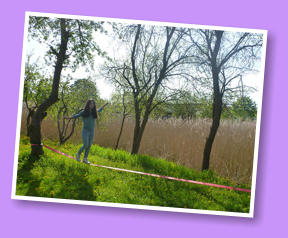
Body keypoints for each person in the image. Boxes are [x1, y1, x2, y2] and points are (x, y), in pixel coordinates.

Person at [64, 99, 108, 164]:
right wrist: (68, 117)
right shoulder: (83, 112)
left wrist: (105, 104)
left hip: (92, 131)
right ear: (88, 104)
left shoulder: (94, 112)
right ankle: (78, 154)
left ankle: (85, 158)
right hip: (85, 131)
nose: (92, 105)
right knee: (86, 144)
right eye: (90, 104)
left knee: (89, 145)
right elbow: (76, 116)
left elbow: (100, 109)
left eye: (93, 104)